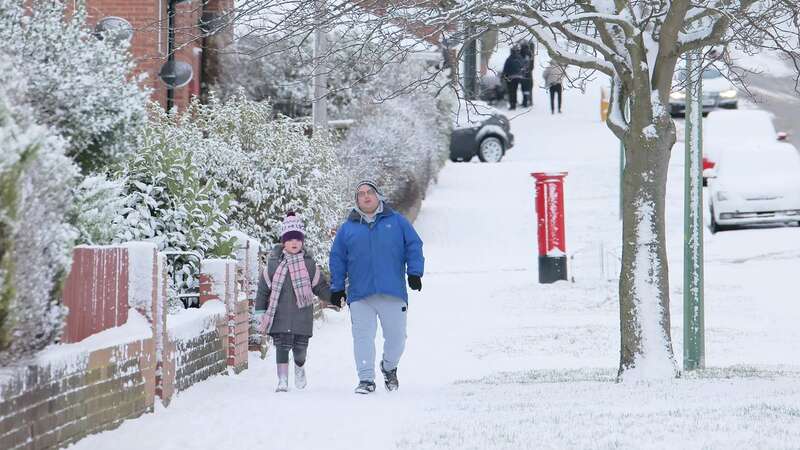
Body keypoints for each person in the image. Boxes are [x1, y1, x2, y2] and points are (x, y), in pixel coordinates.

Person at [329, 180, 424, 394]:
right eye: (360, 194)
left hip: (392, 291)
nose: (365, 196)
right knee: (363, 336)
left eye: (369, 192)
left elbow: (414, 245)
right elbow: (337, 258)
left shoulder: (397, 222)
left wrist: (415, 272)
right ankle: (366, 379)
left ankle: (389, 367)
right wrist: (337, 288)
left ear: (378, 196)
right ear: (356, 201)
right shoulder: (348, 229)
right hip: (360, 294)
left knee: (397, 338)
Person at [255, 211, 332, 392]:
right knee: (281, 348)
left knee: (300, 349)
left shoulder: (309, 265)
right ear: (283, 242)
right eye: (290, 239)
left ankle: (299, 367)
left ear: (302, 241)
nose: (294, 243)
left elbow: (319, 286)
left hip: (302, 317)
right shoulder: (273, 265)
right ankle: (282, 380)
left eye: (297, 239)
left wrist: (333, 296)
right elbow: (263, 290)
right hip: (279, 316)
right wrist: (260, 311)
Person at [502, 45, 526, 110]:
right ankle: (521, 103)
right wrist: (523, 75)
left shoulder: (509, 59)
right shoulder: (520, 58)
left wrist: (504, 77)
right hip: (519, 77)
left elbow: (505, 69)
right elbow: (524, 67)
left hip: (511, 78)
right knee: (515, 91)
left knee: (511, 91)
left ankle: (513, 105)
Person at [519, 40, 535, 108]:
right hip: (529, 74)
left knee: (524, 88)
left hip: (523, 73)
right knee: (529, 88)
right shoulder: (530, 53)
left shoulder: (522, 53)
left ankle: (525, 102)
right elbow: (531, 65)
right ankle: (529, 101)